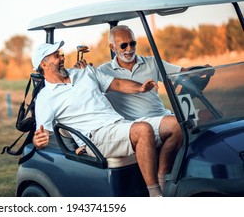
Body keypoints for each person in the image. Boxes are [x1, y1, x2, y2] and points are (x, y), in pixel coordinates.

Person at [32, 40, 167, 197]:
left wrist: (140, 88)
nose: (62, 58)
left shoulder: (84, 72)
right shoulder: (45, 98)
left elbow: (116, 83)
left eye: (61, 54)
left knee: (174, 125)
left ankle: (166, 180)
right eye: (56, 56)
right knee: (143, 129)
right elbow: (43, 135)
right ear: (45, 65)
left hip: (118, 124)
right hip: (94, 138)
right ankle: (156, 194)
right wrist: (38, 141)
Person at [96, 25, 187, 190]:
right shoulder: (104, 71)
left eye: (133, 43)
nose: (129, 49)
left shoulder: (151, 62)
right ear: (112, 47)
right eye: (124, 45)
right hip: (137, 123)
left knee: (205, 116)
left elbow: (182, 73)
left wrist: (201, 71)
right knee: (177, 125)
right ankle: (162, 180)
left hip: (161, 116)